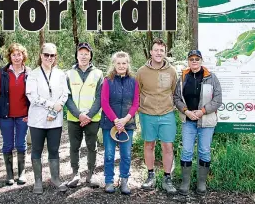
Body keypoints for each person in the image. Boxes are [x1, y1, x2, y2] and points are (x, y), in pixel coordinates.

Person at [173, 49, 222, 195]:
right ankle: (185, 183)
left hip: (206, 121)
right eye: (191, 59)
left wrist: (202, 111)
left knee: (204, 151)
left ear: (201, 61)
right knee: (187, 151)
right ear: (188, 61)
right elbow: (176, 98)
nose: (194, 61)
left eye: (197, 59)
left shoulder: (211, 77)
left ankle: (201, 183)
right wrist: (186, 111)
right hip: (188, 120)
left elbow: (218, 99)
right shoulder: (182, 78)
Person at [136, 38, 178, 194]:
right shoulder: (141, 72)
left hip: (167, 114)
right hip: (147, 114)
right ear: (151, 52)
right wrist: (138, 109)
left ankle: (167, 178)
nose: (159, 53)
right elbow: (136, 92)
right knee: (149, 144)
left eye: (162, 50)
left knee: (168, 146)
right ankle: (151, 175)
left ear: (165, 53)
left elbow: (175, 92)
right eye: (156, 50)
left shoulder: (172, 71)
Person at [26, 43, 69, 194]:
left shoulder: (60, 74)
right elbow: (32, 96)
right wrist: (52, 105)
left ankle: (55, 178)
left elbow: (65, 93)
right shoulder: (33, 74)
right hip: (38, 119)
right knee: (36, 149)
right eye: (46, 55)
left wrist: (59, 105)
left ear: (55, 57)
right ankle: (38, 180)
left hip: (55, 119)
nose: (49, 58)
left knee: (54, 149)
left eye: (52, 55)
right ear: (41, 55)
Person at [0, 43, 31, 186]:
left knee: (21, 144)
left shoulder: (29, 73)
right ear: (10, 56)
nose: (16, 57)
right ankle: (9, 174)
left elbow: (34, 96)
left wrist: (31, 114)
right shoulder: (2, 73)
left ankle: (21, 173)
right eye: (13, 54)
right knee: (8, 145)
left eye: (19, 54)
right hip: (5, 116)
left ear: (23, 56)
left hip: (23, 116)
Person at [100, 51, 139, 195]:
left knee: (126, 154)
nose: (121, 66)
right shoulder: (107, 80)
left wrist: (125, 119)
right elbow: (104, 102)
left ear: (128, 64)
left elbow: (136, 103)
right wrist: (116, 120)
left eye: (124, 63)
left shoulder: (133, 81)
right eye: (118, 63)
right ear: (114, 64)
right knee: (109, 154)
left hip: (127, 124)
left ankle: (124, 181)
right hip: (110, 124)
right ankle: (109, 181)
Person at [66, 42, 103, 188]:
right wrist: (79, 114)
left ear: (90, 55)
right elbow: (66, 97)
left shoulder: (98, 74)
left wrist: (89, 115)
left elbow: (100, 97)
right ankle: (75, 174)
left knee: (92, 147)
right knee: (74, 147)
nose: (83, 56)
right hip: (74, 118)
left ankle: (90, 174)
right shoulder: (68, 74)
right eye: (80, 53)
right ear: (76, 55)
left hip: (92, 119)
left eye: (86, 53)